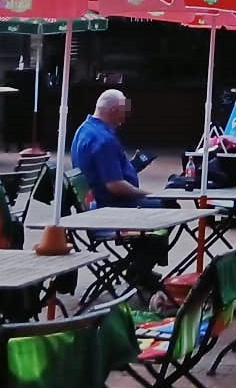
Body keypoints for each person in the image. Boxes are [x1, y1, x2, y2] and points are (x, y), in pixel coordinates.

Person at [69, 89, 165, 295]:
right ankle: (139, 269)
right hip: (111, 209)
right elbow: (115, 186)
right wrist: (147, 194)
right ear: (113, 110)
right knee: (165, 209)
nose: (126, 115)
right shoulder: (104, 140)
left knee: (162, 208)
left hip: (95, 207)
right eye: (124, 110)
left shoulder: (84, 130)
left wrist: (133, 166)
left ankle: (140, 265)